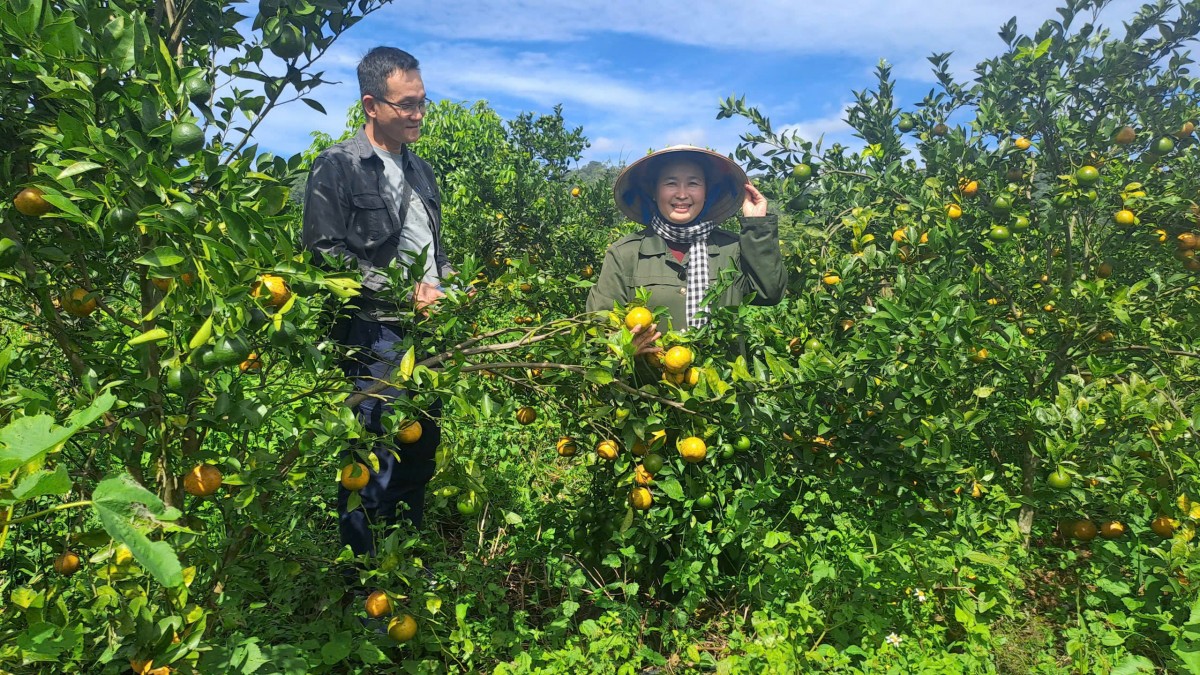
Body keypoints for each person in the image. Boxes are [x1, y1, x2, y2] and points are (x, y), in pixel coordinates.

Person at [302, 47, 450, 557]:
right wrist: (404, 291)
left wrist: (451, 286)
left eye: (422, 103)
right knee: (372, 460)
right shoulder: (337, 166)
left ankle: (402, 563)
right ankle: (362, 580)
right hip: (374, 333)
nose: (416, 115)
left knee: (419, 451)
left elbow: (433, 251)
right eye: (406, 105)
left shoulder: (423, 171)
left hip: (427, 331)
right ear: (371, 104)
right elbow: (326, 254)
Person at [586, 145, 786, 349]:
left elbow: (768, 293)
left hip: (724, 380)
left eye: (693, 183)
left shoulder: (731, 248)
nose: (682, 194)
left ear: (706, 192)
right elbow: (599, 329)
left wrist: (756, 226)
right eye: (671, 183)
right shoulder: (625, 254)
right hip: (648, 380)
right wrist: (625, 345)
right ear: (654, 192)